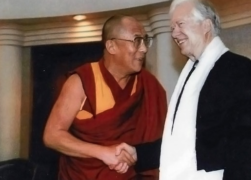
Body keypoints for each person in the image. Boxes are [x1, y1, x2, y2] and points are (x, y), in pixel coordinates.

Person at [43, 15, 167, 180]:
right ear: (111, 46)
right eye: (137, 40)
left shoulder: (148, 85)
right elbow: (52, 135)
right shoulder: (82, 81)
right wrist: (103, 152)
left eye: (145, 40)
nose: (144, 48)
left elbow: (160, 141)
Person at [159, 0, 251, 179]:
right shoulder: (190, 73)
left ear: (206, 25)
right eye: (172, 28)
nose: (174, 33)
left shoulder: (237, 67)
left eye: (180, 24)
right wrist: (137, 153)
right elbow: (183, 140)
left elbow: (245, 141)